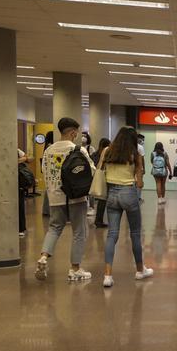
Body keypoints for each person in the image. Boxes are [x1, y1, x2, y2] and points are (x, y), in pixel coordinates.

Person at [36, 117, 95, 282]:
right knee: (79, 232)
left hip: (55, 197)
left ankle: (43, 257)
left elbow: (44, 172)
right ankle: (75, 268)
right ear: (73, 132)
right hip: (76, 197)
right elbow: (91, 170)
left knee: (54, 228)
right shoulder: (78, 149)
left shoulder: (48, 151)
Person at [100, 127, 155, 288]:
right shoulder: (134, 153)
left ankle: (108, 276)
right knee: (135, 234)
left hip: (111, 194)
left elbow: (99, 170)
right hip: (128, 193)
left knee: (112, 235)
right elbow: (139, 181)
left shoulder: (107, 151)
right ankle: (140, 270)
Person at [91, 137, 111, 228]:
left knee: (101, 201)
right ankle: (99, 220)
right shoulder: (107, 152)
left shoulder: (95, 154)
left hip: (97, 176)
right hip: (105, 177)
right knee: (103, 200)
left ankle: (98, 220)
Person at [18, 148, 30, 237]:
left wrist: (18, 161)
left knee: (20, 205)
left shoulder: (17, 150)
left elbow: (26, 158)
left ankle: (21, 228)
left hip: (18, 182)